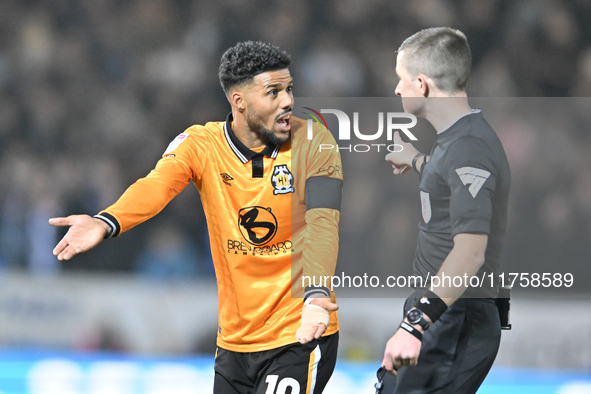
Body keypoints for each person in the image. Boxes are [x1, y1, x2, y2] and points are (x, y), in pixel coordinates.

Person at [49, 41, 343, 393]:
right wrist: (106, 221)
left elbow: (323, 224)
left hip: (299, 330)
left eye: (289, 89)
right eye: (273, 92)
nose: (287, 101)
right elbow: (156, 186)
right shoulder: (200, 145)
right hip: (235, 343)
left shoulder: (314, 140)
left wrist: (315, 296)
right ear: (239, 101)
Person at [382, 28, 511, 393]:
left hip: (452, 316)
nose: (397, 89)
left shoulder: (467, 147)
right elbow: (453, 176)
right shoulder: (456, 139)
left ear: (421, 85)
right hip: (444, 313)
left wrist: (414, 325)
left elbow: (470, 252)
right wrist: (418, 160)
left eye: (401, 79)